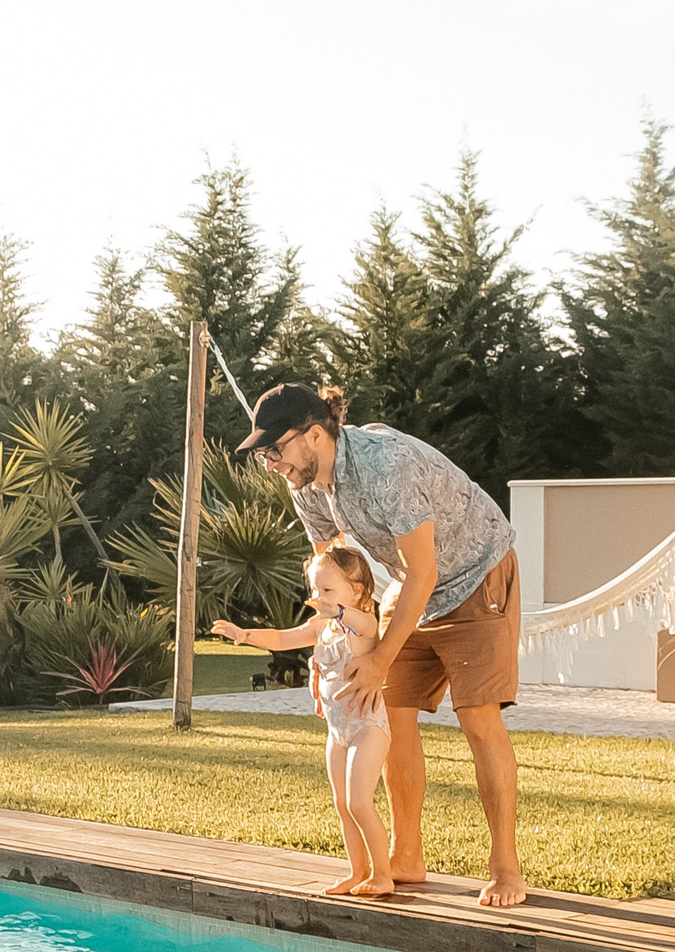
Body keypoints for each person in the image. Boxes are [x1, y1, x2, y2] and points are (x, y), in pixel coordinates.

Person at [237, 382, 527, 908]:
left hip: (475, 573)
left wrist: (379, 659)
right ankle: (406, 855)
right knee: (386, 705)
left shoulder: (384, 465)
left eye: (274, 449)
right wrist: (329, 652)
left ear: (316, 435)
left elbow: (425, 570)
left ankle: (506, 868)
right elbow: (334, 578)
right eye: (263, 455)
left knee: (477, 716)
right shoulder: (306, 486)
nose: (271, 462)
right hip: (409, 585)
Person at [211, 542, 393, 896]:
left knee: (359, 802)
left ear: (356, 592)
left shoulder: (362, 624)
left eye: (327, 589)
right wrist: (245, 635)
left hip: (368, 727)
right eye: (314, 589)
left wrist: (338, 611)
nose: (317, 596)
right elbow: (282, 638)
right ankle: (358, 871)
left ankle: (382, 874)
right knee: (342, 804)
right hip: (337, 729)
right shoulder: (320, 626)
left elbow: (364, 624)